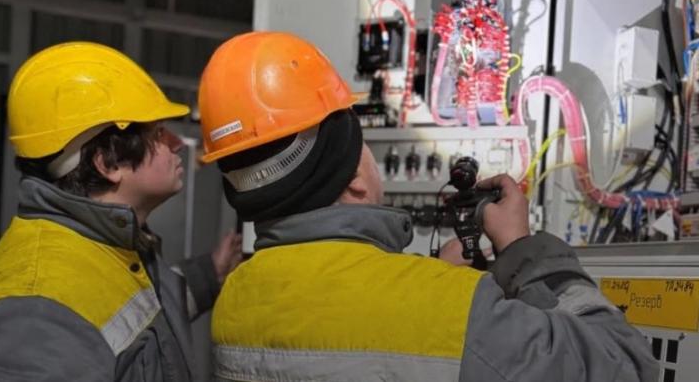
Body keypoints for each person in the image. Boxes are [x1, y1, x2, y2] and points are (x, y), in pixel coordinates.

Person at [196, 31, 658, 382]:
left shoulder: (235, 297)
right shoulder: (449, 309)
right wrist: (522, 251)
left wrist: (430, 275)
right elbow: (626, 364)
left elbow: (348, 325)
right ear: (354, 180)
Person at [0, 41, 242, 381]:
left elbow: (133, 316)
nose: (178, 142)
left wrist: (209, 273)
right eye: (158, 133)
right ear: (108, 163)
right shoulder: (35, 311)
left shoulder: (107, 250)